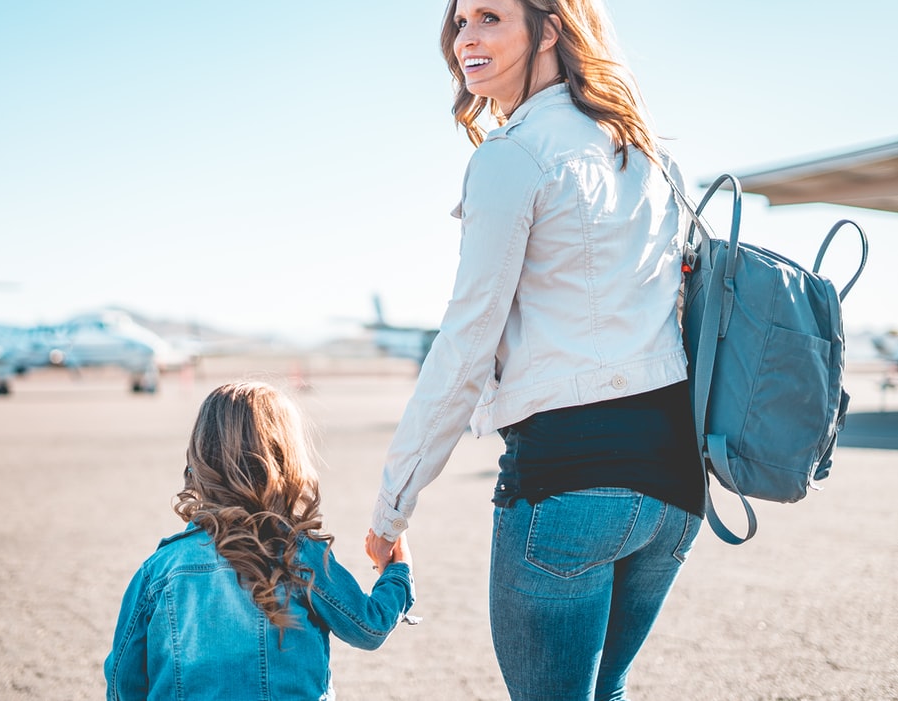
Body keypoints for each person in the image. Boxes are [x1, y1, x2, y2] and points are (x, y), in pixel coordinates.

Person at [364, 1, 704, 699]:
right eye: (460, 22)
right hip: (675, 487)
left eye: (490, 17)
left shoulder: (512, 156)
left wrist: (391, 507)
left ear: (549, 29)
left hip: (570, 484)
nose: (466, 38)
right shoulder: (650, 154)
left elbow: (466, 344)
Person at [106, 381, 414, 701]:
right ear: (285, 460)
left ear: (200, 458)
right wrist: (397, 569)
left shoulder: (161, 569)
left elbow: (122, 681)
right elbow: (370, 627)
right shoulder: (300, 555)